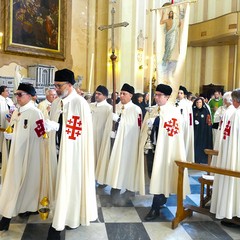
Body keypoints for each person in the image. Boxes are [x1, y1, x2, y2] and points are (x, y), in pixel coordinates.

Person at [47, 69, 97, 240]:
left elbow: (80, 134)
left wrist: (59, 128)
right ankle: (63, 215)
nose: (56, 89)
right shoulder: (57, 103)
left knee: (71, 185)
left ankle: (65, 221)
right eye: (54, 85)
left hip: (74, 155)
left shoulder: (79, 103)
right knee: (60, 185)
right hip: (58, 149)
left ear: (69, 85)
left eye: (59, 86)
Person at [136, 84, 189, 221]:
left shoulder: (173, 112)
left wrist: (157, 122)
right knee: (152, 174)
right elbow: (144, 129)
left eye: (159, 95)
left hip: (164, 151)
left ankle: (155, 207)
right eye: (156, 94)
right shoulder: (152, 110)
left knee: (159, 176)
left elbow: (173, 132)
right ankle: (162, 198)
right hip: (151, 149)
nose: (156, 97)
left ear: (167, 97)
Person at [0, 83, 46, 231]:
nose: (17, 97)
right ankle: (8, 214)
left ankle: (20, 211)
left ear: (29, 96)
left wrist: (17, 136)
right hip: (16, 154)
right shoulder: (17, 112)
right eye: (16, 94)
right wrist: (10, 134)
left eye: (20, 94)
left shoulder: (35, 112)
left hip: (29, 155)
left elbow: (41, 135)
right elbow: (12, 128)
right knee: (13, 184)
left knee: (28, 183)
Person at [105, 83, 142, 205]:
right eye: (120, 93)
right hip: (116, 141)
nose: (121, 95)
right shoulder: (116, 106)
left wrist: (119, 121)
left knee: (127, 165)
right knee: (116, 164)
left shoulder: (136, 109)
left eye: (124, 93)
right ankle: (115, 188)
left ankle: (129, 189)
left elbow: (135, 127)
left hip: (128, 143)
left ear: (131, 95)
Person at [210, 88, 240, 225]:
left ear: (234, 101)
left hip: (233, 155)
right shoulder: (234, 113)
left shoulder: (235, 114)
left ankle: (232, 213)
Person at [89, 85, 112, 172]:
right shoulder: (90, 106)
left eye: (99, 94)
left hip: (100, 136)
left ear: (105, 96)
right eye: (96, 93)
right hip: (89, 135)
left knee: (98, 155)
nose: (97, 95)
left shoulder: (109, 108)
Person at [211, 91, 235, 167]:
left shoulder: (231, 111)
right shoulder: (223, 109)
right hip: (223, 132)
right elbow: (216, 118)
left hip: (225, 133)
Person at [175, 85, 194, 163]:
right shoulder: (173, 102)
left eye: (181, 93)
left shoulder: (188, 104)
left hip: (184, 126)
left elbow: (188, 117)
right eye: (178, 93)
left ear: (184, 94)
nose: (179, 94)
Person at [192, 97, 213, 164]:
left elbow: (209, 122)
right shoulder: (192, 110)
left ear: (202, 103)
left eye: (200, 102)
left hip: (203, 132)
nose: (198, 104)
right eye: (197, 102)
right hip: (195, 132)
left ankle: (203, 160)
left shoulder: (206, 111)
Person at [0, 86, 14, 155]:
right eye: (6, 91)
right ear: (2, 92)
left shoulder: (9, 100)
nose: (8, 92)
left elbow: (12, 109)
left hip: (8, 122)